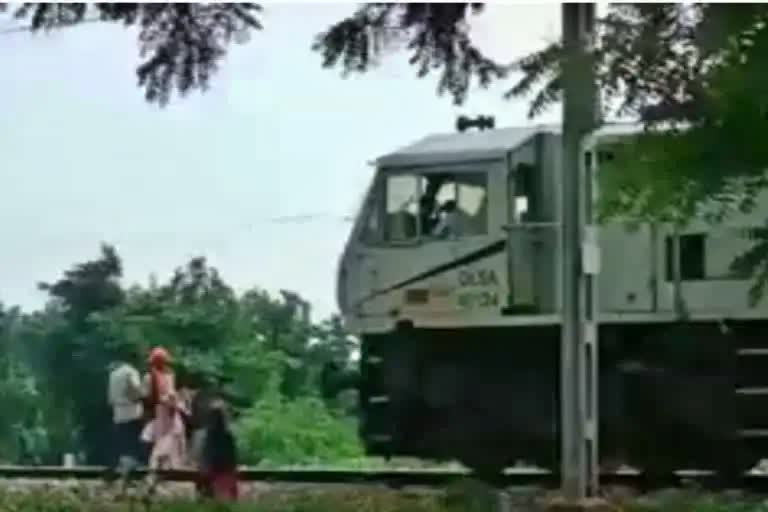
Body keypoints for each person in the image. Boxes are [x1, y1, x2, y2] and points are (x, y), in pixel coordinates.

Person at [141, 346, 188, 470]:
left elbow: (146, 397)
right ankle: (164, 463)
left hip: (162, 410)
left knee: (167, 436)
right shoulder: (166, 376)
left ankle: (164, 464)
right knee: (171, 436)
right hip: (165, 411)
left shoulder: (152, 377)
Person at [107, 345, 144, 475]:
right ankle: (130, 466)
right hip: (131, 410)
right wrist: (140, 396)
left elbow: (110, 397)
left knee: (122, 439)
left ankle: (121, 465)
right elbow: (135, 389)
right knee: (132, 439)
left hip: (117, 411)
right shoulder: (131, 372)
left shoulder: (113, 373)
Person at [198, 404, 239, 501]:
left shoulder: (207, 436)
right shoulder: (228, 436)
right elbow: (233, 457)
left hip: (212, 474)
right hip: (226, 474)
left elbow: (205, 456)